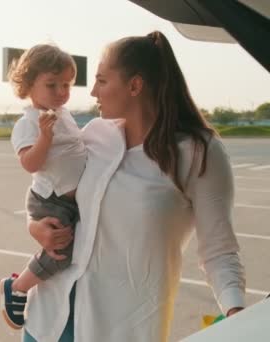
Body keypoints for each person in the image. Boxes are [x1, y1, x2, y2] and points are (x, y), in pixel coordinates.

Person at [23, 31, 246, 342]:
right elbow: (48, 186)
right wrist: (34, 226)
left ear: (135, 86)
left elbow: (219, 251)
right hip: (49, 318)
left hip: (122, 329)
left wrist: (239, 317)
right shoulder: (94, 135)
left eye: (101, 81)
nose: (93, 93)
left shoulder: (198, 152)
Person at [0, 44, 87, 330]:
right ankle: (18, 287)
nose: (61, 92)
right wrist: (45, 138)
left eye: (66, 84)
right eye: (52, 84)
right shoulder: (27, 124)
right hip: (49, 201)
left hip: (69, 200)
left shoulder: (65, 114)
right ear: (28, 85)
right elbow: (30, 163)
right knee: (62, 253)